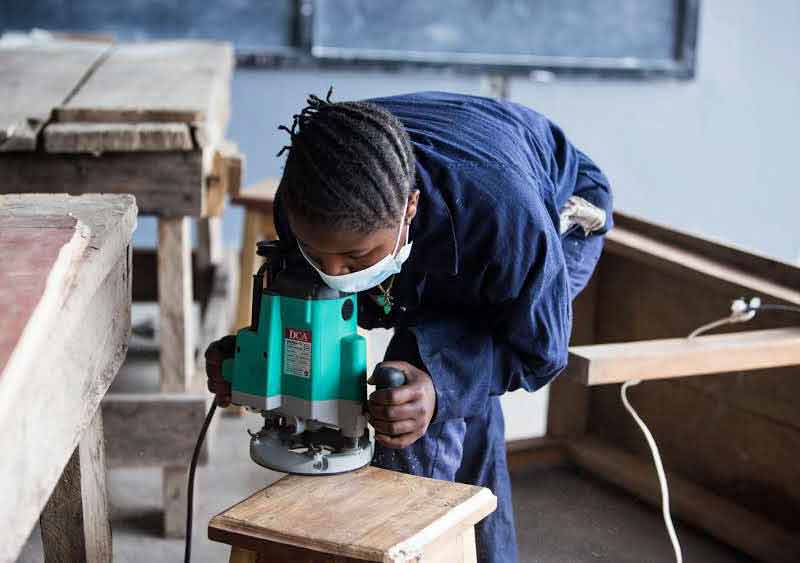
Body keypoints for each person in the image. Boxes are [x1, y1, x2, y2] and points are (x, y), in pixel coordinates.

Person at [206, 89, 612, 563]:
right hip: (448, 207)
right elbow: (298, 303)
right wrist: (255, 358)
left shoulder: (511, 225)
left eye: (356, 257)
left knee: (416, 385)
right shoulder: (306, 201)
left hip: (564, 208)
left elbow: (541, 352)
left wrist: (439, 388)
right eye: (318, 254)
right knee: (458, 401)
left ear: (410, 208)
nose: (334, 273)